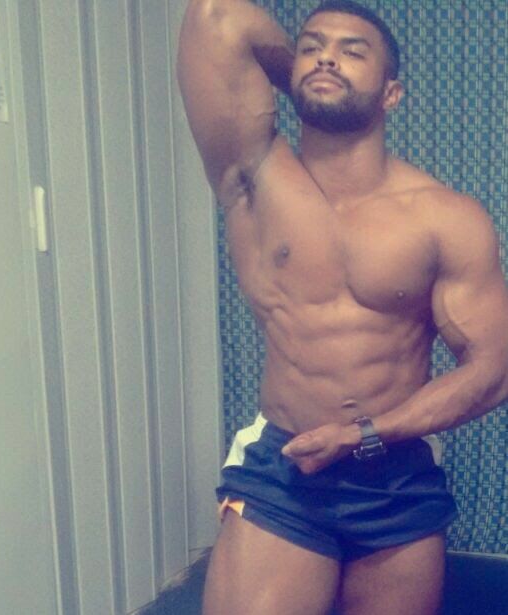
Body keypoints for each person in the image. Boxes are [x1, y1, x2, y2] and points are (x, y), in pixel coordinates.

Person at [177, 1, 508, 614]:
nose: (327, 57)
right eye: (312, 47)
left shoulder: (446, 218)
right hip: (286, 471)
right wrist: (314, 80)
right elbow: (216, 16)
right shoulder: (252, 176)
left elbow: (493, 371)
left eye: (352, 52)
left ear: (392, 94)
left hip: (396, 475)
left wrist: (364, 434)